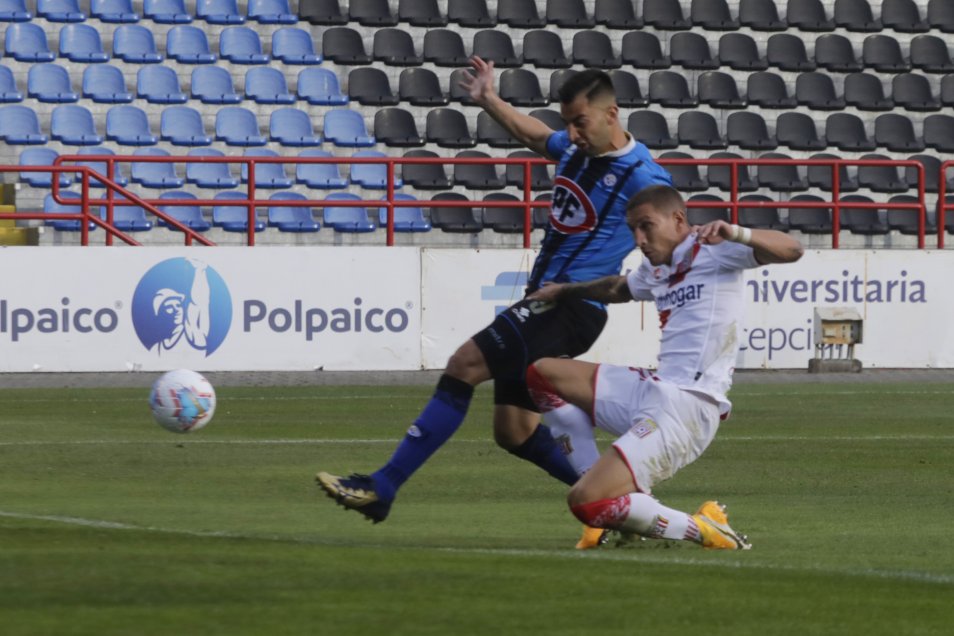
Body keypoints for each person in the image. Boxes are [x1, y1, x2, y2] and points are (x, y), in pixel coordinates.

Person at [317, 58, 673, 530]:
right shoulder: (576, 148)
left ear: (612, 114)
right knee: (514, 431)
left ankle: (383, 487)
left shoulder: (643, 177)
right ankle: (627, 508)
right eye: (567, 122)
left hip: (570, 306)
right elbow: (537, 136)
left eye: (580, 122)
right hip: (543, 302)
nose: (571, 133)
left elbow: (671, 237)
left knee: (464, 364)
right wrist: (489, 99)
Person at [523, 184, 804, 549]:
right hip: (653, 388)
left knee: (584, 503)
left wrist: (736, 231)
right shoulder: (655, 269)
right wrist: (563, 291)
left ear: (678, 219)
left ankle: (702, 528)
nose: (639, 239)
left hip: (688, 407)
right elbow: (617, 288)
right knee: (542, 375)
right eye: (633, 230)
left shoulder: (716, 249)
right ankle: (615, 497)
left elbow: (792, 250)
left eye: (647, 226)